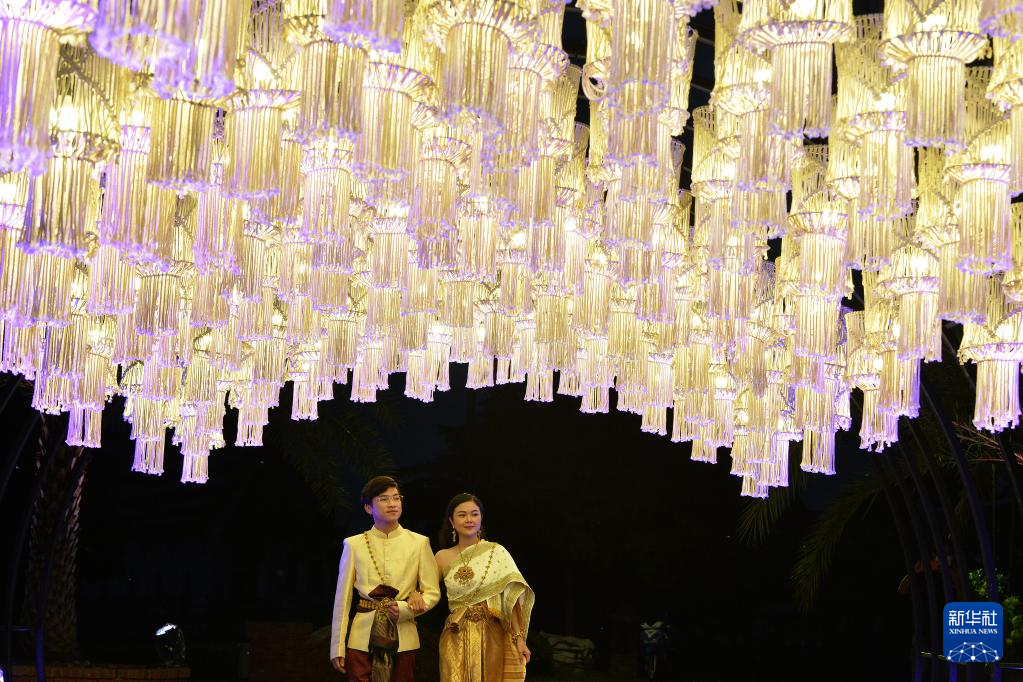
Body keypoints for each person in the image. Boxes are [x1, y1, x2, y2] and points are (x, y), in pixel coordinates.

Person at [330, 476, 441, 681]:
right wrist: (337, 646)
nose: (392, 504)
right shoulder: (353, 544)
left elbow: (432, 592)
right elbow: (342, 600)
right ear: (368, 508)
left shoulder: (419, 543)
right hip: (361, 638)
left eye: (396, 498)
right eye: (384, 499)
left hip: (404, 637)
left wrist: (406, 609)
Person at [435, 493, 534, 681]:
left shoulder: (496, 552)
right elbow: (429, 591)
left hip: (492, 634)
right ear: (452, 521)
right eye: (462, 515)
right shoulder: (441, 557)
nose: (469, 519)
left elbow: (511, 598)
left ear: (481, 518)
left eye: (474, 514)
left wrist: (519, 639)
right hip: (455, 632)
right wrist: (415, 595)